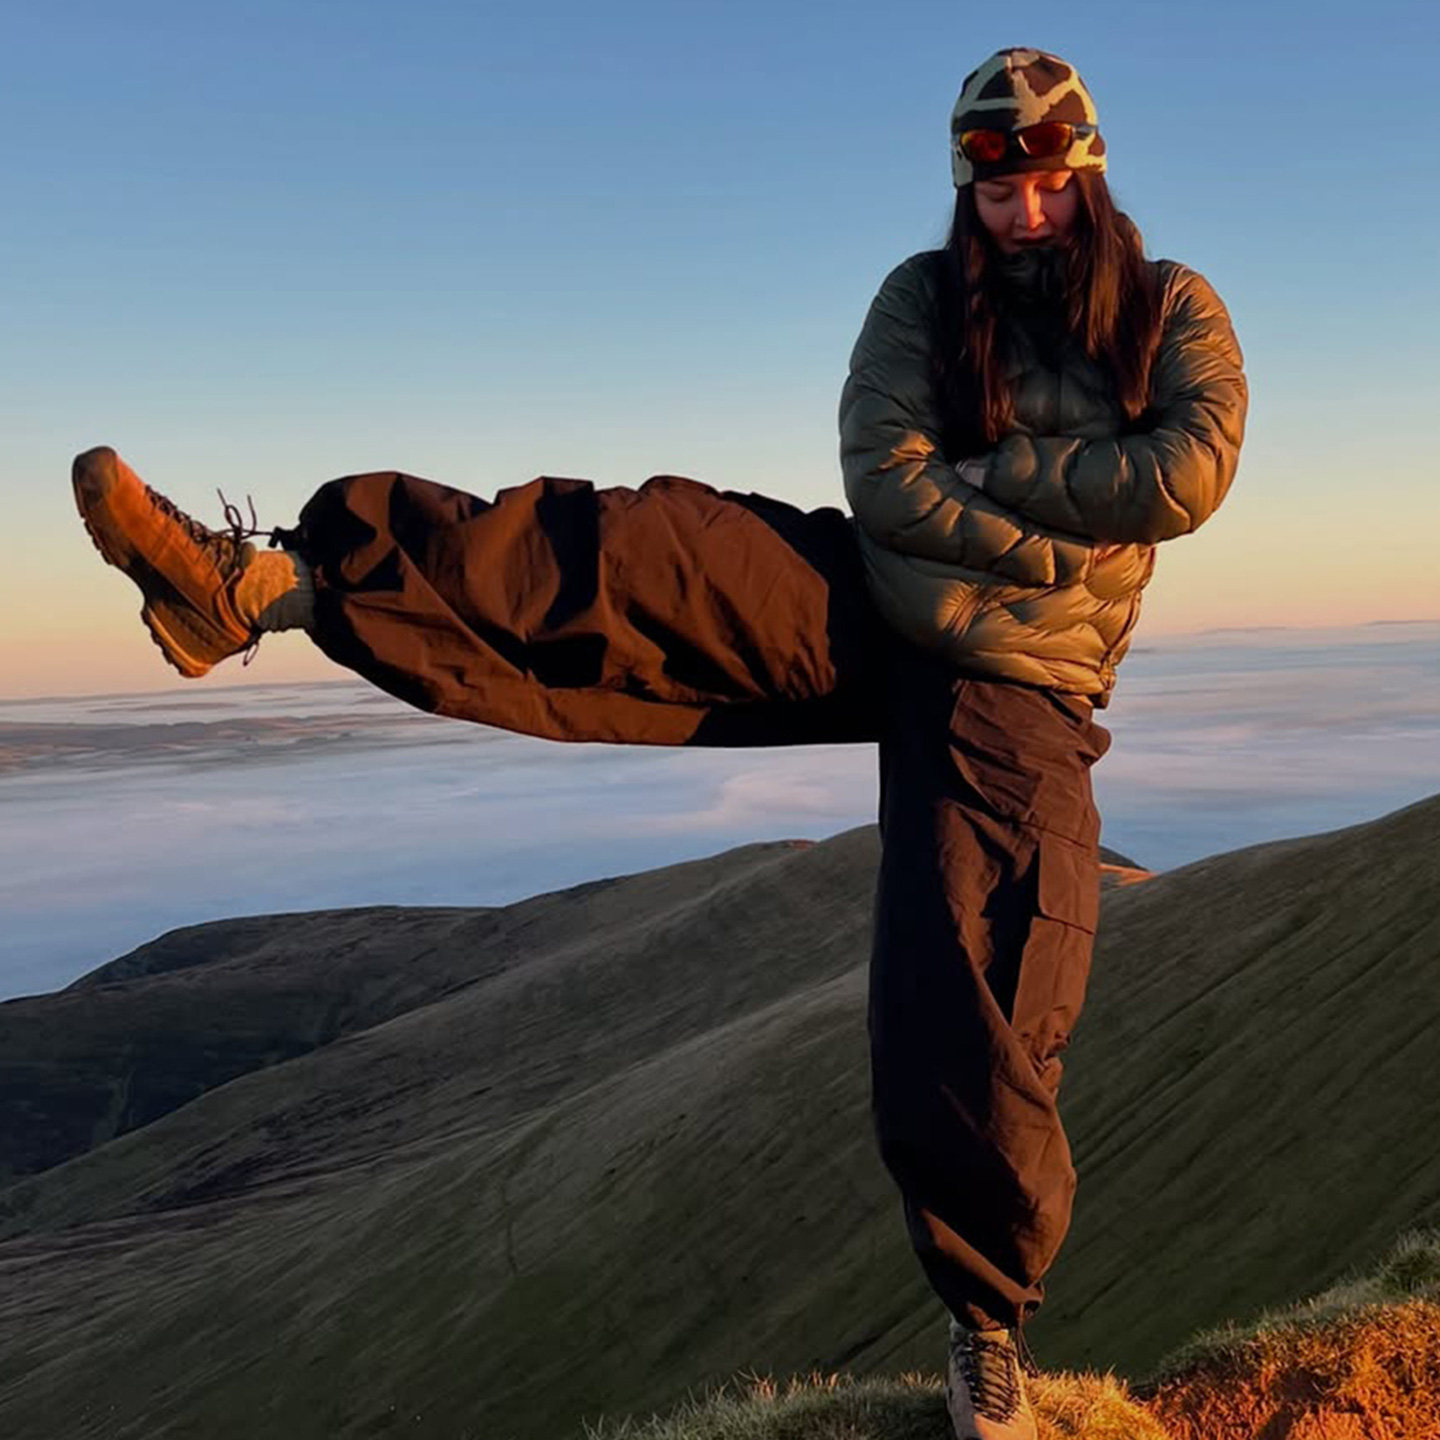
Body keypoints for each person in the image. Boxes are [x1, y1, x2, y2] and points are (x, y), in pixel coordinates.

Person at [71, 46, 1246, 1440]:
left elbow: (1190, 472)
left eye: (1048, 182)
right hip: (873, 596)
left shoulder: (1171, 305)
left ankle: (986, 1327)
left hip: (1021, 680)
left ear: (1087, 172)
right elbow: (885, 480)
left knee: (974, 983)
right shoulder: (922, 298)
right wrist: (1055, 530)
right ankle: (271, 587)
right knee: (638, 549)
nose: (1027, 210)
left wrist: (990, 482)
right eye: (1000, 188)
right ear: (965, 184)